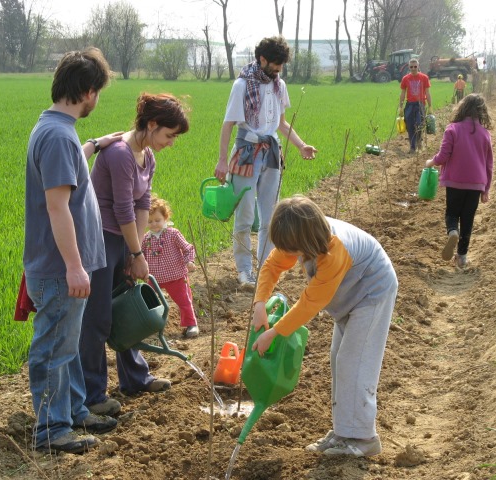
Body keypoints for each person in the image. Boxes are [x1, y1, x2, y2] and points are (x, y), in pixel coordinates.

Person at [24, 48, 123, 454]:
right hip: (59, 269)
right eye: (97, 91)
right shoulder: (57, 137)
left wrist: (95, 144)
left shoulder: (57, 132)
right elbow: (57, 205)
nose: (96, 100)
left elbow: (69, 171)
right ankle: (51, 430)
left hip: (64, 267)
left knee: (69, 343)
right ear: (86, 91)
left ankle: (76, 410)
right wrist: (75, 267)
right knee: (54, 349)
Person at [251, 196, 398, 457]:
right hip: (352, 294)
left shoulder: (334, 250)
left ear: (305, 241)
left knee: (356, 362)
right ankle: (344, 432)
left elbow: (311, 302)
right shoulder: (302, 233)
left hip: (373, 291)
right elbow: (273, 264)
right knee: (339, 360)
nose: (291, 256)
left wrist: (274, 332)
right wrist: (260, 303)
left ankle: (364, 439)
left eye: (294, 251)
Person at [79, 92, 190, 417]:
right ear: (152, 124)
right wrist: (137, 252)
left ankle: (135, 379)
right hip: (99, 240)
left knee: (127, 308)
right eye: (169, 135)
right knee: (98, 318)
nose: (170, 142)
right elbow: (124, 209)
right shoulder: (119, 155)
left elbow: (143, 206)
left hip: (124, 241)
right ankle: (93, 394)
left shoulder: (147, 157)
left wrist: (134, 250)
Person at [214, 35, 317, 289]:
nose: (279, 69)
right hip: (247, 152)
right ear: (262, 59)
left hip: (271, 153)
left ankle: (265, 268)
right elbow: (228, 125)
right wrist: (222, 160)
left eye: (282, 65)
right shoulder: (241, 85)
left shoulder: (278, 85)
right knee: (245, 215)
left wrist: (301, 145)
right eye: (276, 64)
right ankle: (244, 271)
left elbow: (281, 124)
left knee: (271, 217)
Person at [425, 93, 493, 268]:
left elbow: (443, 156)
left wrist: (431, 162)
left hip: (455, 181)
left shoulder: (452, 129)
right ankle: (462, 257)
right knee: (468, 219)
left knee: (452, 214)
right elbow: (489, 165)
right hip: (477, 183)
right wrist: (486, 190)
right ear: (481, 112)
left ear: (462, 108)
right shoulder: (485, 134)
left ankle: (452, 231)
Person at [142, 196, 199, 338]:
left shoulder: (172, 234)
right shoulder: (145, 238)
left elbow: (187, 248)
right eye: (149, 221)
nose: (154, 224)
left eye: (157, 220)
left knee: (184, 301)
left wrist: (189, 261)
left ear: (165, 218)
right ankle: (148, 324)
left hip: (175, 276)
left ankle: (191, 324)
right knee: (146, 300)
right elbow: (139, 255)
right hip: (154, 278)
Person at [399, 58, 432, 154]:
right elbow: (402, 93)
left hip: (420, 104)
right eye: (411, 67)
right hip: (409, 105)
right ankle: (412, 147)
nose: (413, 68)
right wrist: (401, 107)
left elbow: (428, 93)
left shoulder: (424, 78)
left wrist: (430, 106)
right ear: (409, 67)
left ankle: (419, 142)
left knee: (419, 123)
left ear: (418, 66)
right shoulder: (405, 78)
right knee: (409, 125)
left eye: (415, 66)